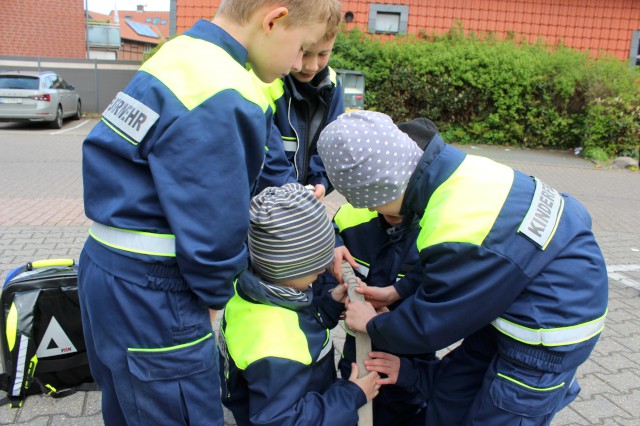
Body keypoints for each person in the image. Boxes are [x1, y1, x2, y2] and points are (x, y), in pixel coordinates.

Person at [77, 1, 338, 424]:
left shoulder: (181, 54)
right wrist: (214, 299)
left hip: (105, 268)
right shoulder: (225, 90)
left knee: (129, 405)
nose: (298, 63)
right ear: (273, 20)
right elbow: (214, 227)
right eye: (301, 47)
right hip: (156, 289)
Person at [317, 110, 609, 425]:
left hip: (543, 337)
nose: (372, 210)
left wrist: (372, 324)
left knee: (500, 412)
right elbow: (455, 260)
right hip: (513, 299)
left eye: (370, 203)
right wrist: (397, 291)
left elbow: (432, 324)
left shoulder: (454, 224)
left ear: (381, 189)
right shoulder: (459, 176)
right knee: (453, 390)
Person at [218, 183, 380, 426]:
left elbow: (299, 326)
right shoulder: (275, 343)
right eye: (316, 265)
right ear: (288, 267)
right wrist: (351, 396)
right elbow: (283, 420)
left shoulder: (259, 290)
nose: (323, 269)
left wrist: (330, 304)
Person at [317, 118, 440, 426]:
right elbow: (327, 226)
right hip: (355, 353)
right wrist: (331, 242)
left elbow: (444, 305)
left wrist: (389, 316)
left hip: (410, 361)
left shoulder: (437, 229)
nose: (378, 204)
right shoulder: (355, 212)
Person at [254, 4, 344, 200]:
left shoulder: (333, 85)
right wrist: (295, 193)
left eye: (323, 54)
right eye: (303, 52)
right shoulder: (267, 81)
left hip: (301, 198)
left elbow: (333, 145)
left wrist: (322, 180)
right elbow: (269, 158)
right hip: (268, 200)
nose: (311, 65)